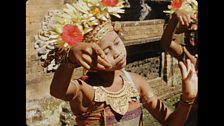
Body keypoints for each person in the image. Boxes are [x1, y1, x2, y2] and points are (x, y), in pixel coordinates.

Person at [34, 0, 198, 125]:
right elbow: (58, 91)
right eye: (106, 51)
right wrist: (69, 60)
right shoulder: (86, 90)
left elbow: (170, 121)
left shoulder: (136, 82)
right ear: (89, 58)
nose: (117, 53)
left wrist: (187, 99)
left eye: (117, 43)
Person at [161, 0, 198, 125]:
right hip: (191, 115)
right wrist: (175, 18)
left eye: (196, 32)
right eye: (189, 32)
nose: (192, 36)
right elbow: (166, 43)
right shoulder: (186, 55)